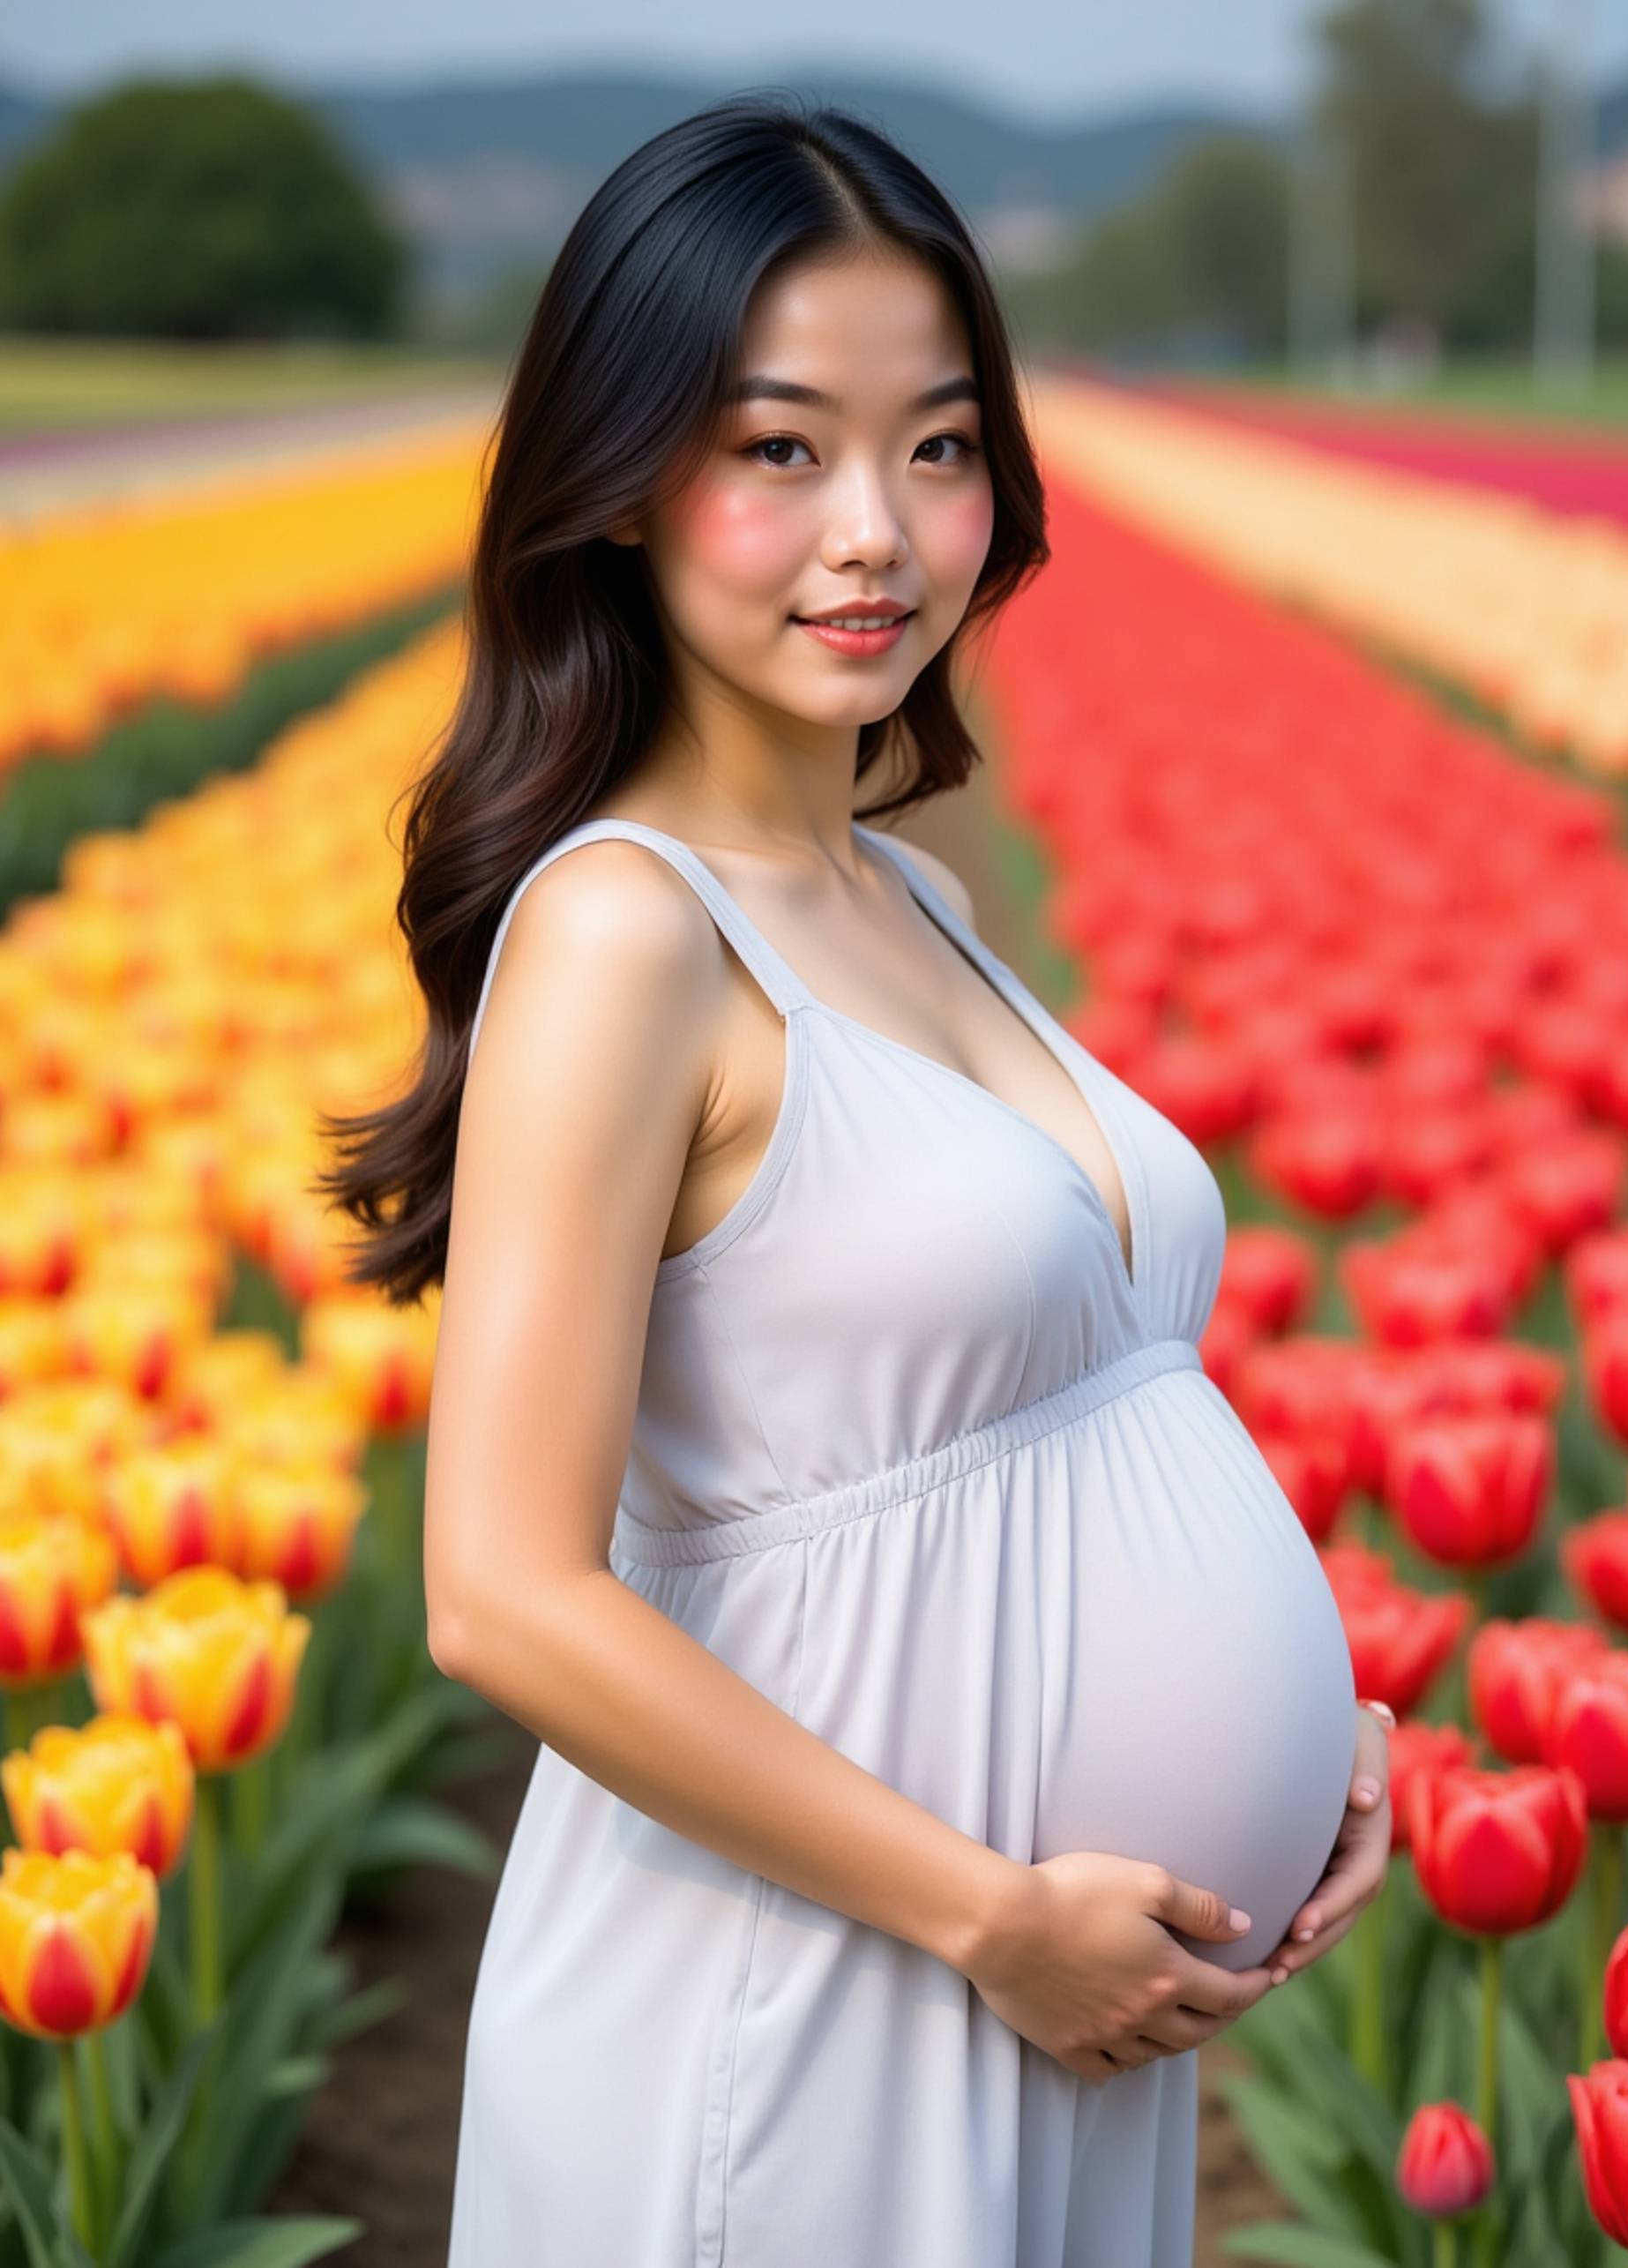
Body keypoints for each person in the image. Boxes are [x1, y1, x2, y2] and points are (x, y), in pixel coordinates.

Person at [318, 92, 1393, 2268]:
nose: (877, 531)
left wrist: (1304, 1740)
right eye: (780, 446)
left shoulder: (904, 894)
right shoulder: (629, 930)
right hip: (811, 2004)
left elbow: (1059, 1428)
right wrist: (992, 1913)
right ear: (617, 482)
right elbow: (502, 1592)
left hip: (1062, 1994)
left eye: (939, 441)